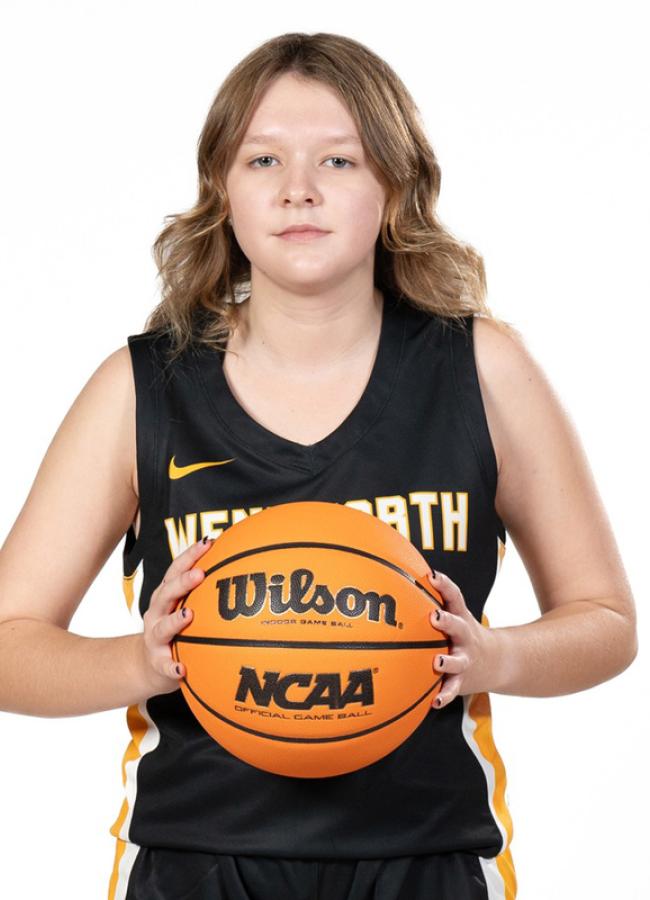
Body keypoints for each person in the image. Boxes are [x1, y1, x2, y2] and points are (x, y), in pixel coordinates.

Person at [0, 31, 637, 900]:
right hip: (198, 858)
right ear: (222, 189)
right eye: (263, 159)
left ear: (394, 185)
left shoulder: (482, 369)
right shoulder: (141, 389)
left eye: (339, 160)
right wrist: (139, 665)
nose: (297, 188)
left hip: (427, 855)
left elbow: (606, 620)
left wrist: (497, 657)